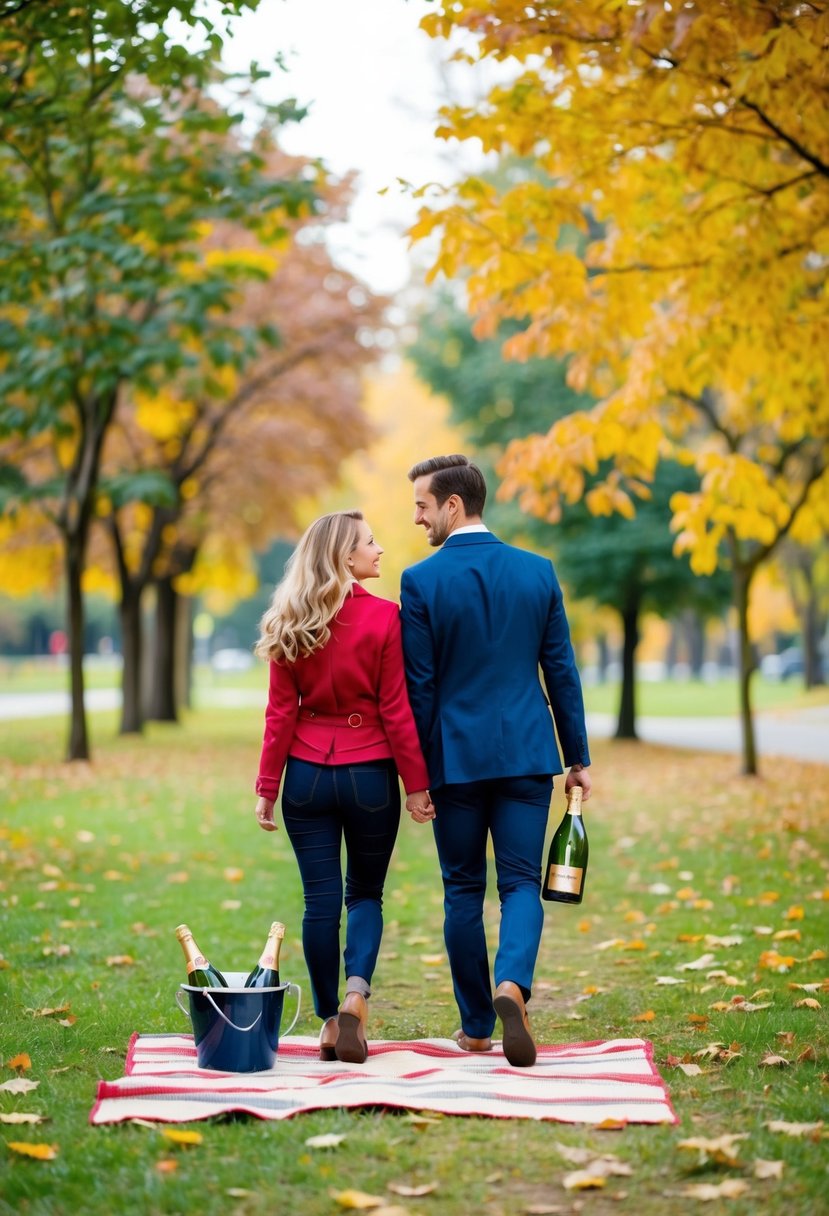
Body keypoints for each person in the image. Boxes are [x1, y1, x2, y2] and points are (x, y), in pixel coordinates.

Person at [400, 455, 592, 1067]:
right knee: (519, 883)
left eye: (423, 506)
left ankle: (478, 1025)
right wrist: (577, 757)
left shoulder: (421, 581)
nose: (417, 518)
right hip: (528, 754)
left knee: (462, 889)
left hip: (455, 759)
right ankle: (513, 982)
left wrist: (418, 775)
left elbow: (421, 688)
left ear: (453, 506)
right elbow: (560, 671)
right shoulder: (538, 573)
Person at [253, 510, 434, 1064]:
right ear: (344, 558)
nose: (379, 549)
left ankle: (331, 1021)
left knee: (320, 903)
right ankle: (357, 995)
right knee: (365, 895)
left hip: (306, 777)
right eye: (369, 542)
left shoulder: (288, 619)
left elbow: (279, 714)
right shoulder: (385, 618)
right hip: (371, 775)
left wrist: (267, 786)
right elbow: (396, 710)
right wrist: (416, 785)